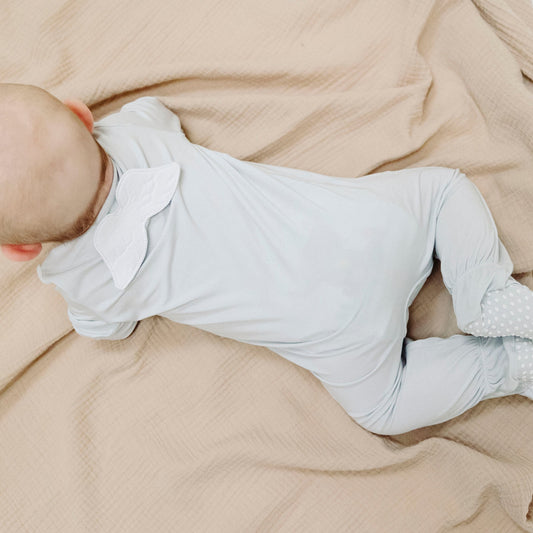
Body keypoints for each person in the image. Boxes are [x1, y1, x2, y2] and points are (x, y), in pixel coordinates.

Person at [0, 83, 531, 436]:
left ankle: (507, 364)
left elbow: (106, 328)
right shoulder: (133, 132)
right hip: (370, 230)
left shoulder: (86, 282)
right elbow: (157, 110)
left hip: (339, 332)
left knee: (384, 409)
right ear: (82, 115)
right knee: (443, 191)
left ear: (18, 250)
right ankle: (483, 293)